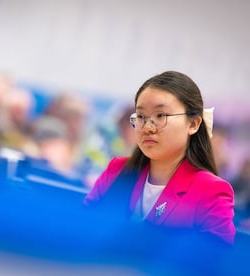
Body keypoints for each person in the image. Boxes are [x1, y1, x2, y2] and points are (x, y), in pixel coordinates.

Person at [83, 71, 236, 245]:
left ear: (193, 124)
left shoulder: (211, 191)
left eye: (161, 116)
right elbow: (84, 226)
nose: (147, 127)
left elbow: (213, 260)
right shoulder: (117, 169)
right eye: (141, 116)